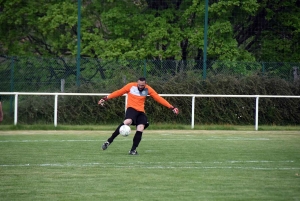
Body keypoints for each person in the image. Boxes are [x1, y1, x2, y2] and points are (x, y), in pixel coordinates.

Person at [98, 77, 179, 155]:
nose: (140, 87)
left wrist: (171, 107)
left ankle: (133, 150)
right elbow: (119, 92)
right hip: (131, 109)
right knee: (127, 121)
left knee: (140, 128)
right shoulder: (130, 86)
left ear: (145, 84)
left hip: (140, 111)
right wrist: (105, 98)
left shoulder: (148, 89)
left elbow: (158, 98)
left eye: (142, 85)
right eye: (139, 85)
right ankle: (109, 141)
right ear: (137, 83)